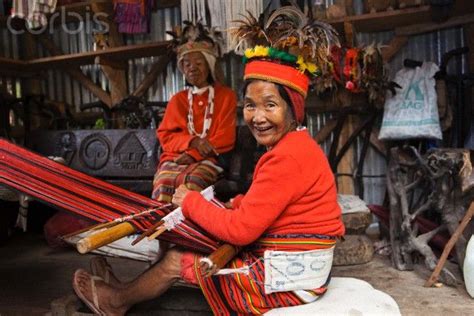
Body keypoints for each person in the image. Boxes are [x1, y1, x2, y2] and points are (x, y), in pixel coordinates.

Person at [72, 7, 344, 315]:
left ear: (294, 109)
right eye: (251, 106)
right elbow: (274, 202)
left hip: (288, 283)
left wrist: (190, 202)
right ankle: (126, 290)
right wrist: (240, 202)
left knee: (178, 258)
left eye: (271, 105)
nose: (258, 117)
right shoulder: (296, 146)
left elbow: (241, 232)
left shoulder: (287, 157)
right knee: (189, 241)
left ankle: (116, 302)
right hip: (299, 266)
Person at [152, 23, 237, 202]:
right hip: (175, 158)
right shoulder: (178, 99)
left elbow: (226, 137)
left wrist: (194, 154)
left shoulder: (225, 96)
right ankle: (161, 227)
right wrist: (192, 141)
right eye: (187, 64)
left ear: (209, 66)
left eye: (199, 63)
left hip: (210, 159)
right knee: (165, 180)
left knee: (193, 182)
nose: (192, 68)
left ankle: (190, 229)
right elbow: (166, 136)